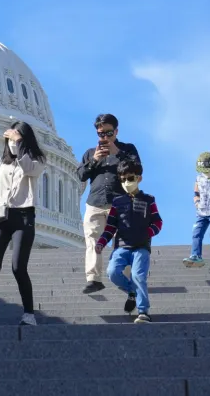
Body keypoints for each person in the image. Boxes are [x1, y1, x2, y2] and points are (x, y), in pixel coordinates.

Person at [0, 121, 45, 327]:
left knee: (18, 267)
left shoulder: (37, 159)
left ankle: (29, 313)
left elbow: (29, 169)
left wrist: (20, 143)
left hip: (23, 217)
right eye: (10, 138)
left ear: (24, 139)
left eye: (17, 137)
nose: (12, 141)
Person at [75, 113, 140, 294]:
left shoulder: (127, 149)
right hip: (95, 202)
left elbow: (137, 169)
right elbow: (80, 175)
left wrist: (117, 154)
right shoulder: (90, 153)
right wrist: (95, 159)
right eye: (101, 134)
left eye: (109, 133)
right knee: (92, 241)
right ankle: (93, 279)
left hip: (120, 203)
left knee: (123, 242)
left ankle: (127, 280)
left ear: (116, 131)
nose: (105, 137)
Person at [95, 157, 162, 324]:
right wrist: (101, 242)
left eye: (130, 178)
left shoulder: (149, 200)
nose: (126, 182)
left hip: (141, 247)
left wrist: (148, 232)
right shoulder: (117, 202)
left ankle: (143, 311)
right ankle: (132, 291)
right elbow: (110, 227)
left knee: (138, 275)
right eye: (123, 179)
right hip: (122, 246)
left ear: (139, 178)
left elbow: (158, 222)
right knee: (112, 272)